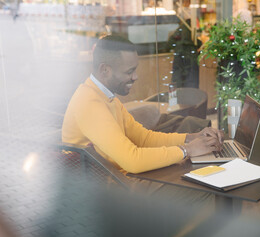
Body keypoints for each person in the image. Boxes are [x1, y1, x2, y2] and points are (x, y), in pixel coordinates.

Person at [62, 34, 223, 175]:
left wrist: (191, 138)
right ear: (105, 70)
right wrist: (187, 150)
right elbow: (132, 160)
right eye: (129, 71)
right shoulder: (89, 103)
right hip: (105, 193)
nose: (135, 77)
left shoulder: (107, 97)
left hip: (116, 182)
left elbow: (144, 139)